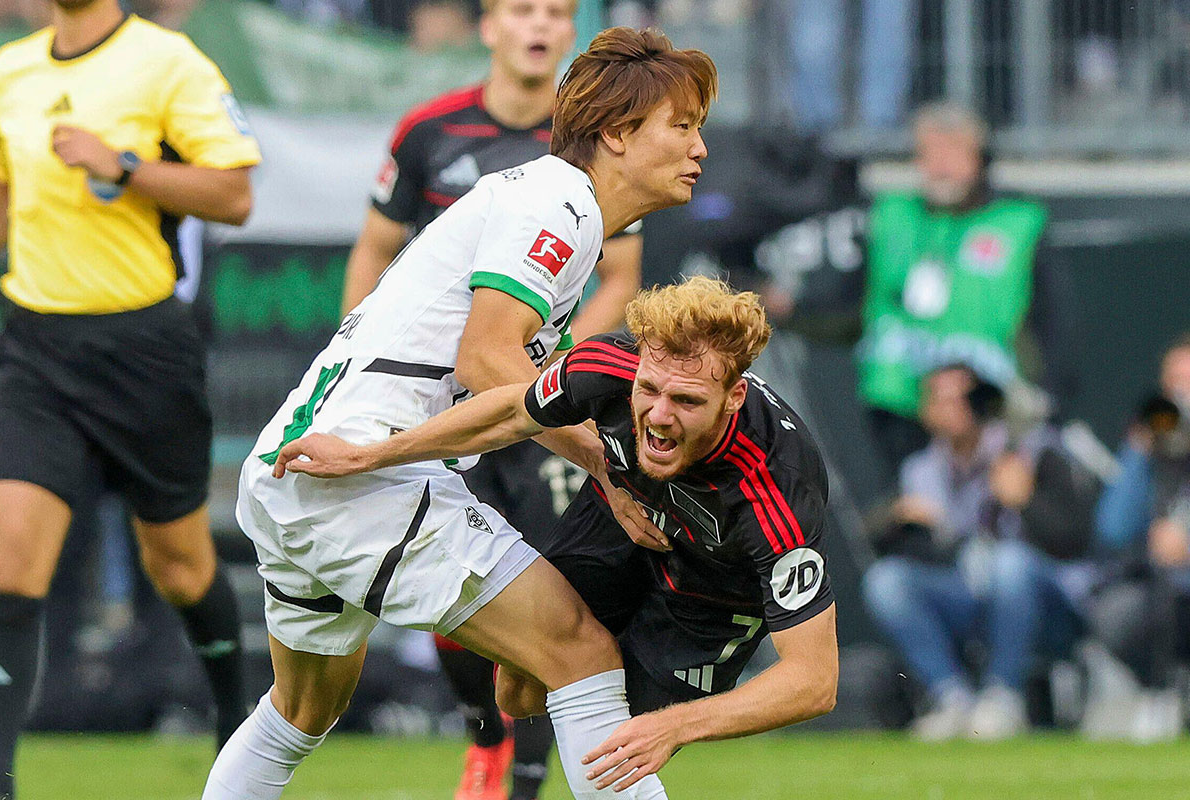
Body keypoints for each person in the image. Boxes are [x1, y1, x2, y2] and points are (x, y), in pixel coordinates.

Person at [202, 26, 716, 800]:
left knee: (304, 708)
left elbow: (502, 387)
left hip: (298, 468)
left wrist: (600, 458)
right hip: (359, 481)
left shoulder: (542, 197)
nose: (699, 146)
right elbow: (488, 359)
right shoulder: (563, 204)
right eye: (681, 125)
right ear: (617, 134)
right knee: (579, 652)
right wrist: (609, 464)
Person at [274, 277, 839, 790]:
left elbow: (814, 680)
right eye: (650, 391)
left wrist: (676, 726)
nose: (660, 417)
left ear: (733, 398)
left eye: (687, 401)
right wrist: (369, 456)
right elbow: (507, 415)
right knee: (516, 695)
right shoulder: (607, 364)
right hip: (622, 511)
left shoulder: (777, 489)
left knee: (625, 742)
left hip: (712, 592)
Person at [341, 1, 642, 797]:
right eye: (522, 9)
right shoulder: (428, 132)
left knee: (548, 581)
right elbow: (375, 250)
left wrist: (551, 374)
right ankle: (484, 735)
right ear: (489, 28)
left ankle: (529, 772)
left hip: (531, 397)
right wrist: (354, 357)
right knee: (453, 583)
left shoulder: (597, 139)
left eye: (555, 11)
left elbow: (620, 275)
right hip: (448, 406)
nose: (539, 25)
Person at [0, 1, 261, 796]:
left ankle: (236, 731)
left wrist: (124, 167)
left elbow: (234, 196)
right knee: (7, 563)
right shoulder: (9, 69)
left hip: (144, 352)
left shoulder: (167, 62)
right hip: (37, 350)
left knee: (178, 567)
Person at [862, 363, 1097, 741]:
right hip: (970, 597)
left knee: (1010, 563)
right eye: (939, 398)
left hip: (1045, 605)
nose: (951, 407)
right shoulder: (921, 469)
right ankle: (951, 697)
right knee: (886, 580)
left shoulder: (1030, 448)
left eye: (962, 398)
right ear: (925, 410)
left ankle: (1003, 696)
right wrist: (904, 521)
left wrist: (1027, 501)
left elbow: (1077, 539)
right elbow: (878, 537)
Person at [856, 103, 1068, 482]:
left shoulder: (1017, 223)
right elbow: (851, 297)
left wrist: (1050, 393)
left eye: (953, 153)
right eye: (930, 153)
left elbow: (1055, 319)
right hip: (897, 405)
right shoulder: (890, 216)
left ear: (979, 158)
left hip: (985, 408)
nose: (940, 166)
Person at [1090, 334, 1190, 740]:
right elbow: (1112, 529)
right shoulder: (1154, 450)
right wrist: (1139, 451)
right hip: (1164, 597)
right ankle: (1163, 693)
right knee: (1117, 615)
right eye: (1176, 387)